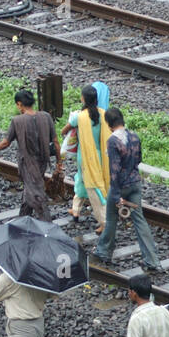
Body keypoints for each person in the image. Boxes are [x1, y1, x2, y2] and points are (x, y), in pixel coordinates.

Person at [94, 106, 161, 270]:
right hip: (135, 184)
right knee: (140, 221)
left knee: (111, 219)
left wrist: (116, 195)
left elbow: (114, 170)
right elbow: (139, 159)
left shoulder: (113, 141)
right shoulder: (134, 136)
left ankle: (103, 252)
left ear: (109, 124)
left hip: (121, 186)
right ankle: (152, 261)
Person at [0, 88, 58, 221]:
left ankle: (47, 223)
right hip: (42, 162)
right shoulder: (46, 116)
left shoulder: (17, 121)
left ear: (19, 104)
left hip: (28, 164)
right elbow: (55, 142)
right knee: (30, 189)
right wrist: (60, 162)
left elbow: (6, 143)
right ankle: (22, 219)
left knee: (37, 195)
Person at [65, 82, 111, 232]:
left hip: (84, 156)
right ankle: (75, 209)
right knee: (89, 181)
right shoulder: (103, 114)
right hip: (100, 154)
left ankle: (104, 221)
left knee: (91, 187)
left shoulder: (80, 117)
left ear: (83, 99)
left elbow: (64, 131)